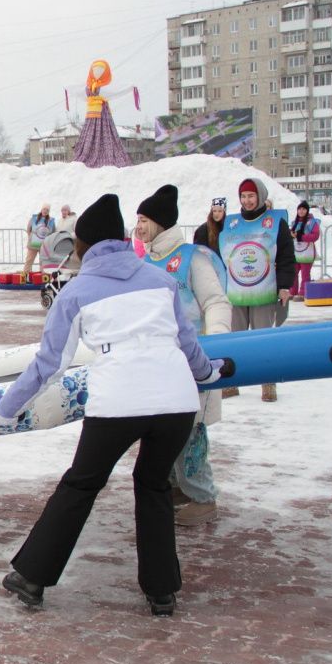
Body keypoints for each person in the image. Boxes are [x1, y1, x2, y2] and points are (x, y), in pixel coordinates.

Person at [0, 193, 224, 617]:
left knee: (81, 484)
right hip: (176, 404)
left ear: (82, 246)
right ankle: (162, 591)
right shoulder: (161, 281)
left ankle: (32, 577)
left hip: (120, 404)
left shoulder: (76, 292)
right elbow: (189, 347)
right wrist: (209, 374)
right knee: (153, 487)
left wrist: (6, 409)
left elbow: (48, 365)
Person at [134, 184, 232, 527]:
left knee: (190, 431)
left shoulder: (193, 258)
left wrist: (216, 343)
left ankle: (204, 498)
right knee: (164, 430)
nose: (139, 226)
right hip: (159, 362)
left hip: (194, 360)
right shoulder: (146, 259)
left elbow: (216, 302)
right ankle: (178, 488)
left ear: (160, 223)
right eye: (138, 220)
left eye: (144, 219)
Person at [219, 178, 294, 402]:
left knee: (264, 339)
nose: (247, 200)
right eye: (243, 196)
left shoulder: (275, 221)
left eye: (251, 196)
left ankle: (268, 383)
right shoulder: (232, 223)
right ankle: (233, 382)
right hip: (236, 292)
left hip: (264, 291)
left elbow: (286, 256)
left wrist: (284, 286)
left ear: (260, 196)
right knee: (236, 340)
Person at [290, 201, 320, 301]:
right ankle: (292, 292)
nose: (301, 211)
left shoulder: (312, 222)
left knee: (305, 274)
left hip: (307, 253)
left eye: (303, 209)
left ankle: (303, 293)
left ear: (307, 210)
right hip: (296, 252)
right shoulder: (294, 222)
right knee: (293, 273)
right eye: (299, 209)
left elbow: (315, 236)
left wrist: (301, 236)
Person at [22, 204, 55, 277]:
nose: (45, 211)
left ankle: (43, 277)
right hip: (33, 244)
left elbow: (53, 232)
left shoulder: (51, 221)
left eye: (47, 210)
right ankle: (25, 276)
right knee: (29, 260)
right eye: (44, 209)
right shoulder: (34, 218)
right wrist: (31, 237)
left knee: (43, 261)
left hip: (44, 245)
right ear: (41, 209)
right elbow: (28, 229)